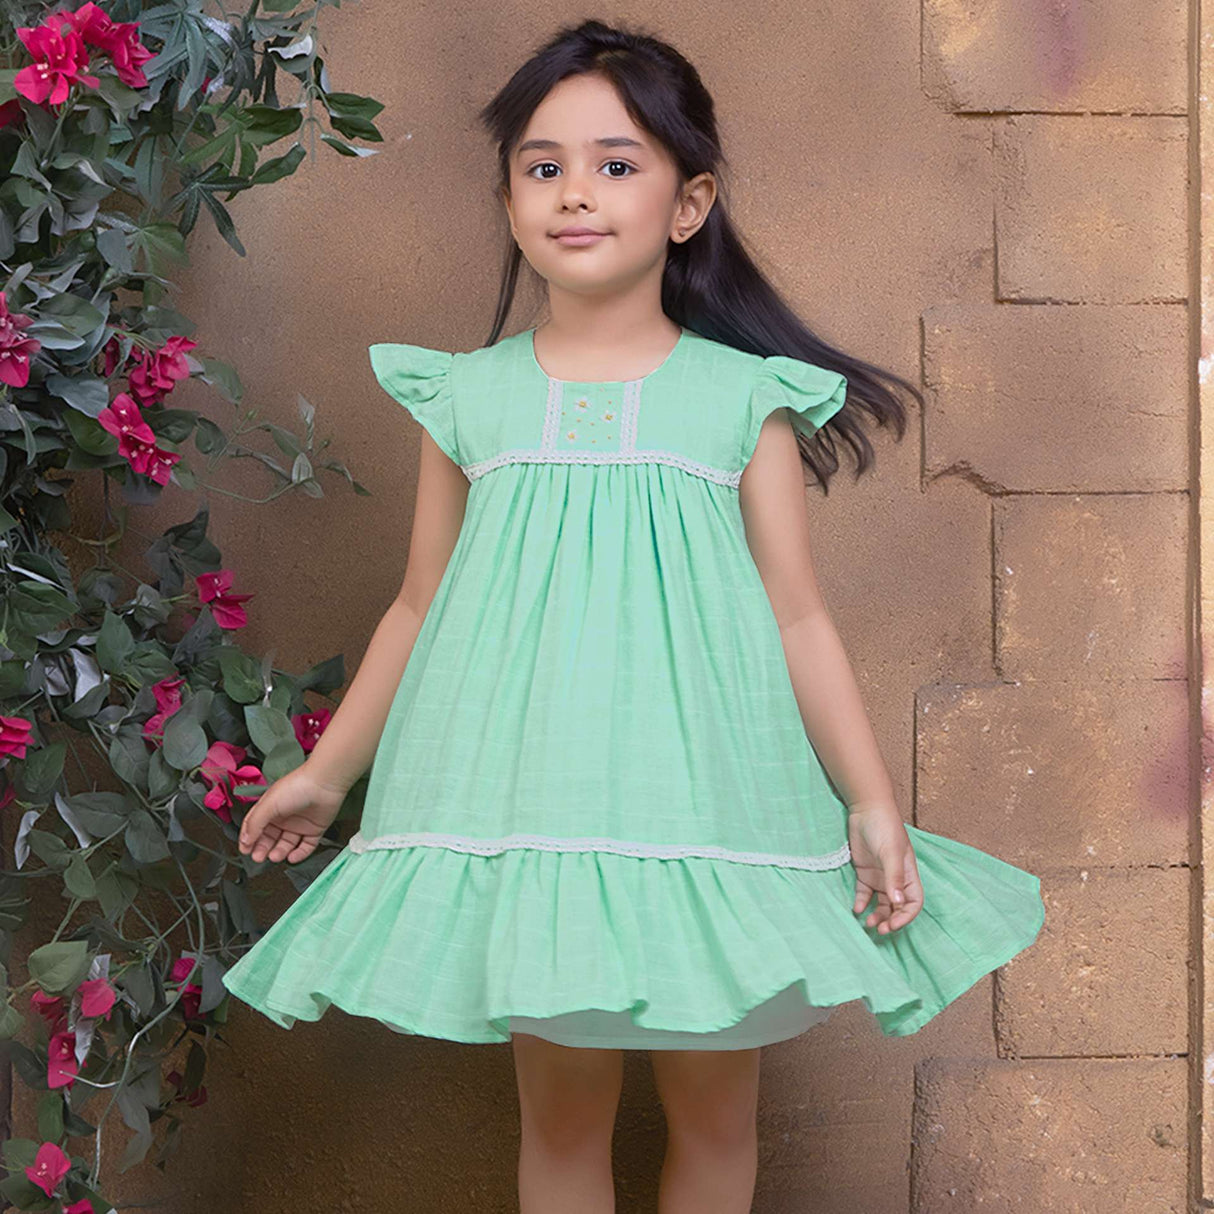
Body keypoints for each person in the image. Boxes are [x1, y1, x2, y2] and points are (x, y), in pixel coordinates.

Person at [220, 18, 1045, 1213]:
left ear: (686, 200)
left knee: (713, 1119)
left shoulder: (740, 397)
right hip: (530, 811)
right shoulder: (469, 395)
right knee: (559, 1123)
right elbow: (418, 599)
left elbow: (796, 614)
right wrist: (327, 774)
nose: (573, 193)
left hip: (712, 809)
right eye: (541, 166)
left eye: (615, 163)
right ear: (507, 199)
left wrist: (870, 800)